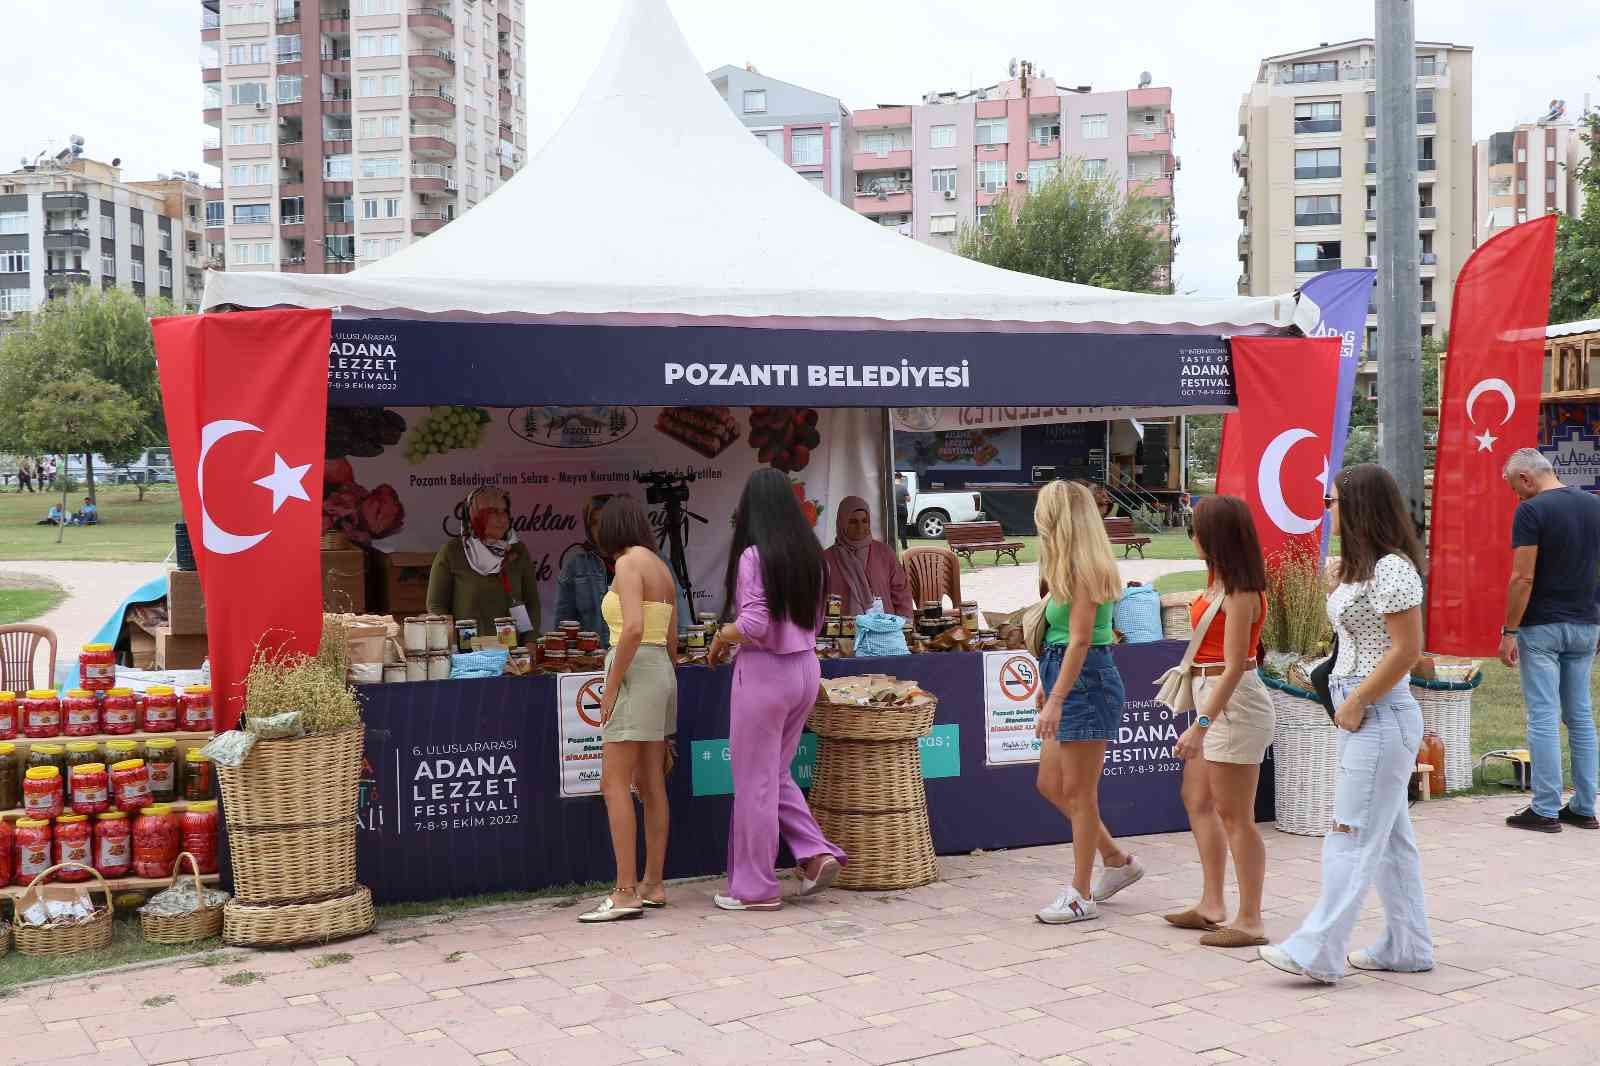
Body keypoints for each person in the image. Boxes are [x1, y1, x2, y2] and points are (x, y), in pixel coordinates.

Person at [1261, 464, 1433, 984]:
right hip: (1364, 714)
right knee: (1388, 841)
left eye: (1332, 502)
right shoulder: (1365, 568)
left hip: (1378, 715)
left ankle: (1318, 950)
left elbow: (1408, 650)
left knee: (1349, 834)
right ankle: (1407, 945)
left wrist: (1356, 699)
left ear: (1357, 507)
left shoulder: (1392, 570)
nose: (1326, 511)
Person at [706, 468, 846, 911]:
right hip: (805, 669)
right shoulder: (813, 555)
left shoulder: (753, 556)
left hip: (765, 675)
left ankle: (755, 888)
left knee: (753, 784)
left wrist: (720, 635)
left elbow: (753, 624)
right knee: (775, 774)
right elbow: (817, 622)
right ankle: (814, 853)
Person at [1031, 480, 1143, 924]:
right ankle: (1116, 859)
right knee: (1050, 784)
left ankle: (1080, 894)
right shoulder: (1066, 565)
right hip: (1067, 671)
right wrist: (1049, 683)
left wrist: (1056, 697)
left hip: (1087, 679)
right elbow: (1065, 641)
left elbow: (1081, 641)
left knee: (1079, 792)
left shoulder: (1085, 569)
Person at [1169, 495, 1274, 948]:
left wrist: (1200, 726)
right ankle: (1213, 903)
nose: (1192, 537)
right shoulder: (1219, 583)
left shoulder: (1240, 592)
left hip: (1230, 702)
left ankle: (1250, 917)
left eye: (1197, 530)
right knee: (1196, 798)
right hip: (1212, 696)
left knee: (1236, 815)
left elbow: (1234, 666)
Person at [579, 497, 679, 923]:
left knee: (614, 784)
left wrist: (612, 685)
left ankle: (624, 892)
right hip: (660, 672)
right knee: (651, 782)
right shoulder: (660, 566)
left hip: (635, 670)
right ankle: (652, 883)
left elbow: (632, 628)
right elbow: (671, 639)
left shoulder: (626, 565)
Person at [1498, 448, 1600, 832]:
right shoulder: (1593, 506)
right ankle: (1586, 806)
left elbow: (1522, 578)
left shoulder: (1532, 511)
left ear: (1526, 478)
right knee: (1581, 717)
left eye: (1515, 488)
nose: (1516, 497)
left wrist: (1509, 631)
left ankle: (1544, 809)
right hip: (1586, 624)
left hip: (1542, 626)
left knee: (1542, 715)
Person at [425, 486, 542, 639]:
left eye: (505, 511)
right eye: (493, 512)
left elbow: (531, 602)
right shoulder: (453, 552)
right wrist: (452, 641)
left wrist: (530, 641)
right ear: (474, 517)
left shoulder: (518, 551)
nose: (503, 519)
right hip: (468, 654)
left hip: (513, 654)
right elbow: (436, 605)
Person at [824, 495, 914, 618]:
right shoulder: (827, 558)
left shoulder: (884, 553)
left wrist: (903, 625)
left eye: (864, 521)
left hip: (883, 630)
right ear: (842, 523)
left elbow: (902, 593)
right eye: (853, 522)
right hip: (840, 632)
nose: (860, 527)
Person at [556, 494, 617, 647]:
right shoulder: (576, 564)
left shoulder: (639, 559)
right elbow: (564, 625)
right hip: (594, 659)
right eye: (595, 523)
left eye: (607, 521)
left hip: (635, 656)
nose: (601, 528)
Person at [893, 473, 909, 551]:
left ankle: (892, 545)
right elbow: (908, 499)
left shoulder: (891, 487)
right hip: (902, 508)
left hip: (893, 509)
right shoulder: (903, 487)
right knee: (902, 528)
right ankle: (904, 546)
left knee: (893, 528)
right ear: (901, 478)